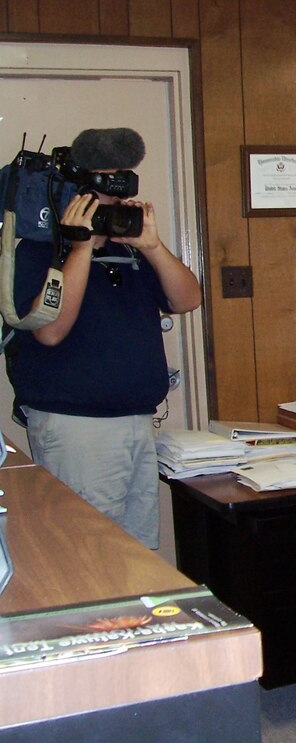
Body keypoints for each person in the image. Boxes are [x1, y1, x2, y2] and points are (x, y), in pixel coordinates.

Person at [11, 128, 203, 549]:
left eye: (120, 189)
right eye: (104, 189)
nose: (114, 202)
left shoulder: (131, 250)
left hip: (135, 422)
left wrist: (151, 247)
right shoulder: (38, 252)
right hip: (77, 430)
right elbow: (49, 329)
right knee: (89, 552)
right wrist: (81, 248)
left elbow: (188, 299)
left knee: (138, 554)